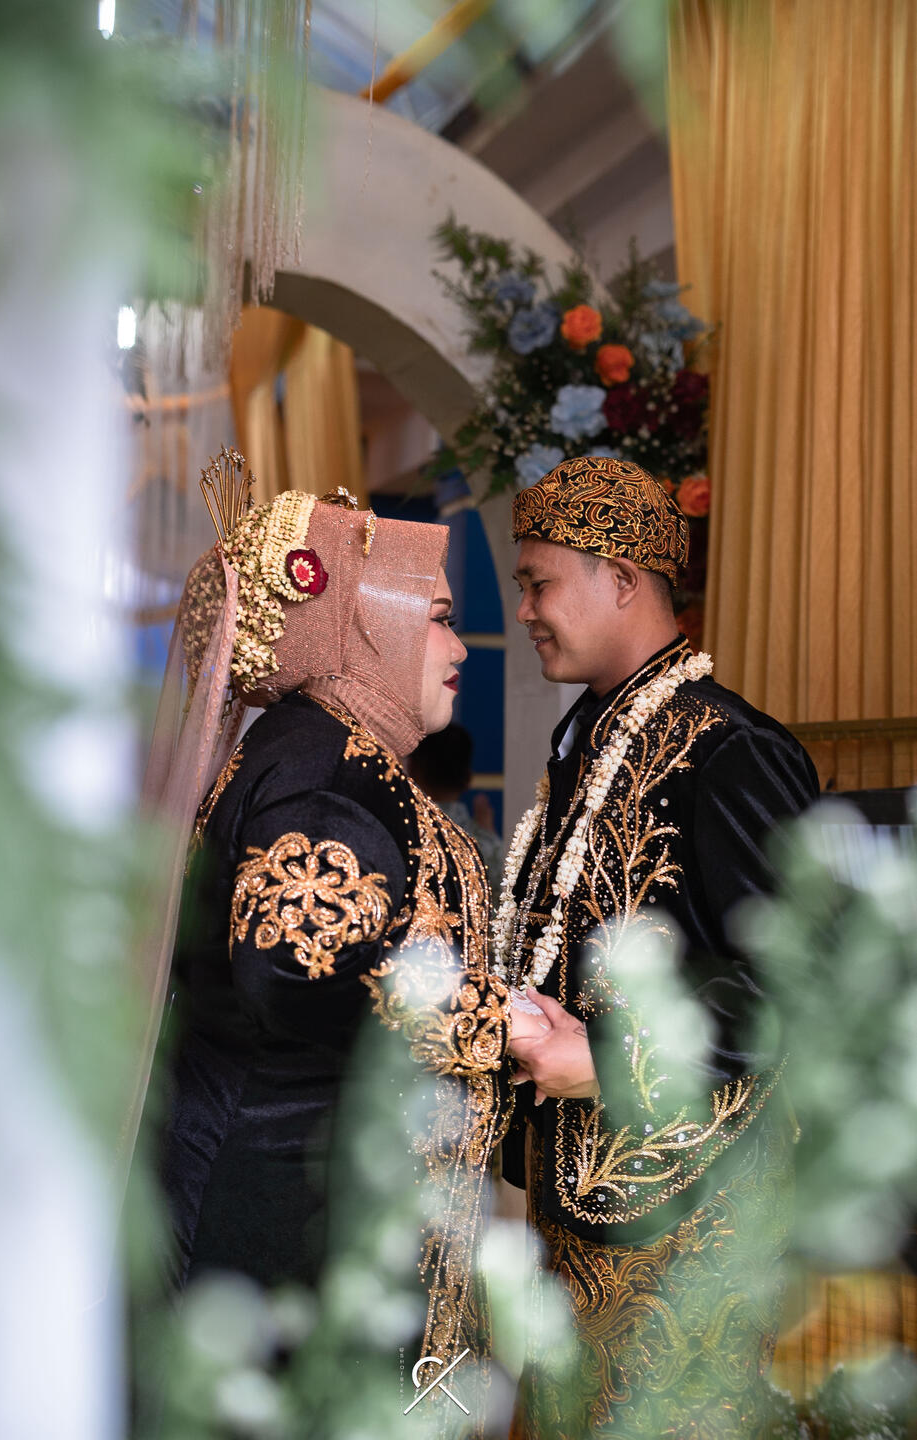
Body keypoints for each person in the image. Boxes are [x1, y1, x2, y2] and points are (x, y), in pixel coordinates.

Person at [140, 456, 545, 1421]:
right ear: (354, 624)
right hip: (285, 1222)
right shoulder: (321, 772)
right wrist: (502, 1027)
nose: (460, 644)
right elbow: (297, 968)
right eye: (438, 616)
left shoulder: (336, 755)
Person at [498, 456, 819, 1438]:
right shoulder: (595, 736)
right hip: (584, 1202)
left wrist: (603, 1060)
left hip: (685, 1220)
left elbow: (792, 979)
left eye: (539, 583)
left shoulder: (726, 747)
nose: (524, 611)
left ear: (621, 579)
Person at [409, 722, 506, 896]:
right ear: (467, 778)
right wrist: (489, 835)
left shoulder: (406, 832)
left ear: (413, 770)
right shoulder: (487, 845)